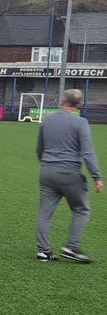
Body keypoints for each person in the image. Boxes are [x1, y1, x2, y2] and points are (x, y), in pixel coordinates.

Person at [36, 88, 103, 262]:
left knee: (45, 213)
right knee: (81, 210)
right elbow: (88, 153)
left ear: (62, 101)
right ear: (79, 105)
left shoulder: (47, 120)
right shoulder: (80, 123)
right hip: (69, 172)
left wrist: (46, 164)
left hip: (47, 171)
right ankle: (71, 248)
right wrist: (97, 177)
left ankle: (43, 251)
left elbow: (39, 149)